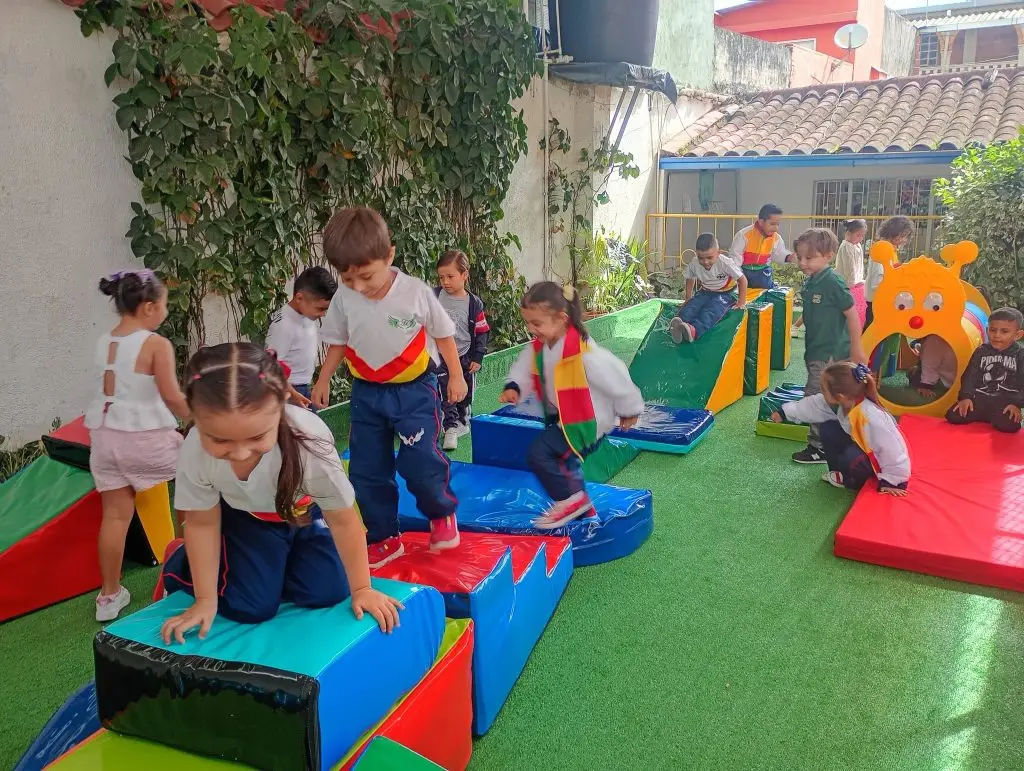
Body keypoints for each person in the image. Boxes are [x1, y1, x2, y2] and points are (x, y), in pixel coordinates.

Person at [159, 343, 402, 644]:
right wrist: (206, 600)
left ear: (280, 406)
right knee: (251, 608)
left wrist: (363, 589)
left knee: (329, 592)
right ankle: (180, 562)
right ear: (195, 417)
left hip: (301, 514)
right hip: (245, 516)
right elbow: (202, 522)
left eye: (256, 437)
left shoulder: (309, 442)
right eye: (220, 440)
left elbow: (342, 519)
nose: (240, 452)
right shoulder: (195, 448)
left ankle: (268, 569)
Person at [310, 207, 466, 568]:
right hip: (366, 394)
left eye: (366, 276)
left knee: (420, 460)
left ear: (389, 256)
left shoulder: (415, 293)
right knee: (366, 469)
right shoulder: (345, 297)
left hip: (414, 391)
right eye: (348, 279)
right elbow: (338, 340)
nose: (358, 286)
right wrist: (323, 378)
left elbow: (443, 334)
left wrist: (456, 376)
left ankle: (441, 514)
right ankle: (383, 536)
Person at [85, 269, 190, 622]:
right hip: (144, 437)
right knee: (192, 488)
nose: (165, 311)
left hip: (103, 438)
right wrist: (202, 418)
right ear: (148, 307)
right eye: (164, 304)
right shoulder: (155, 344)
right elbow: (172, 397)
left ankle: (108, 596)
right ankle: (188, 573)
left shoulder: (105, 341)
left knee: (115, 516)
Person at [499, 282, 645, 529]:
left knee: (540, 454)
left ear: (562, 319)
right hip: (564, 416)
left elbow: (616, 374)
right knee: (565, 462)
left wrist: (629, 408)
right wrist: (514, 386)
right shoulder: (540, 347)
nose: (531, 329)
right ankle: (585, 511)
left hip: (589, 420)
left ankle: (570, 500)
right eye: (528, 323)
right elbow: (524, 368)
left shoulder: (584, 353)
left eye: (537, 323)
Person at [771, 362, 910, 495]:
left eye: (824, 390)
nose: (822, 392)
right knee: (828, 429)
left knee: (850, 456)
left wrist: (894, 481)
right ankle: (841, 472)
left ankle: (852, 481)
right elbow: (814, 405)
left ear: (840, 396)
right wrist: (784, 413)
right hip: (862, 447)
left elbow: (891, 448)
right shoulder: (842, 403)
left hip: (881, 462)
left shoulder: (869, 416)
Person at [791, 228, 868, 465]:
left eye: (809, 257)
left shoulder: (833, 282)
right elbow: (812, 311)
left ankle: (819, 447)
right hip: (816, 350)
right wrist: (796, 324)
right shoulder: (811, 281)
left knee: (816, 396)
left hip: (831, 352)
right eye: (800, 257)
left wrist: (856, 348)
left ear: (828, 256)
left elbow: (852, 315)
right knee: (826, 396)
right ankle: (840, 439)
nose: (802, 263)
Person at [434, 249, 489, 451]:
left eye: (450, 276)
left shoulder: (474, 304)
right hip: (440, 356)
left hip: (465, 355)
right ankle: (450, 426)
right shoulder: (434, 296)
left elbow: (482, 331)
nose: (445, 282)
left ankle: (463, 421)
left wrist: (478, 356)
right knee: (445, 391)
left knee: (464, 393)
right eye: (441, 277)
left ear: (464, 275)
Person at [265, 266, 337, 411]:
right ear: (299, 298)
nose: (323, 314)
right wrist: (292, 393)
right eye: (320, 309)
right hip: (289, 392)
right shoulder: (283, 325)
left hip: (303, 387)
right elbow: (271, 366)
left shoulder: (306, 313)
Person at [947, 307, 1024, 433]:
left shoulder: (1020, 355)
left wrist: (1016, 404)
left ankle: (995, 418)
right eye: (993, 330)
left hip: (1005, 403)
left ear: (1018, 335)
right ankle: (982, 416)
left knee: (1008, 425)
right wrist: (966, 397)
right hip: (979, 400)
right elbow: (970, 375)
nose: (997, 335)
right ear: (987, 330)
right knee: (953, 416)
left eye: (1004, 331)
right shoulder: (981, 351)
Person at [669, 233, 748, 345]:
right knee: (693, 305)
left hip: (724, 293)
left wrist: (741, 302)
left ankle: (694, 330)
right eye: (701, 258)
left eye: (709, 258)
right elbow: (690, 278)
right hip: (705, 291)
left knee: (712, 310)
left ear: (718, 253)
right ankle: (679, 323)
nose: (705, 262)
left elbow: (742, 280)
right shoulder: (694, 263)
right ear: (697, 254)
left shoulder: (725, 263)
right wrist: (688, 297)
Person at [726, 203, 794, 290]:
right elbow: (735, 257)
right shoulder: (744, 235)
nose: (776, 228)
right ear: (761, 222)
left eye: (778, 224)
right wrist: (738, 275)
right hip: (744, 271)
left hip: (763, 271)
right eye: (772, 224)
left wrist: (788, 257)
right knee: (742, 292)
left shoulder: (776, 238)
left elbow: (779, 254)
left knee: (765, 292)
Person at [864, 216, 913, 329]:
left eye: (906, 236)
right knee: (873, 331)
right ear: (893, 233)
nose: (904, 240)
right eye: (902, 236)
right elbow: (878, 281)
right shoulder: (882, 249)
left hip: (882, 298)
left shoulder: (891, 249)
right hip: (878, 300)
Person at [834, 219, 868, 325]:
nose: (861, 238)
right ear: (848, 233)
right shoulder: (846, 246)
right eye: (858, 235)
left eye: (862, 236)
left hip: (854, 284)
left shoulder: (857, 246)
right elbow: (850, 268)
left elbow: (860, 265)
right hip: (845, 283)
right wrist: (852, 283)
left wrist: (860, 279)